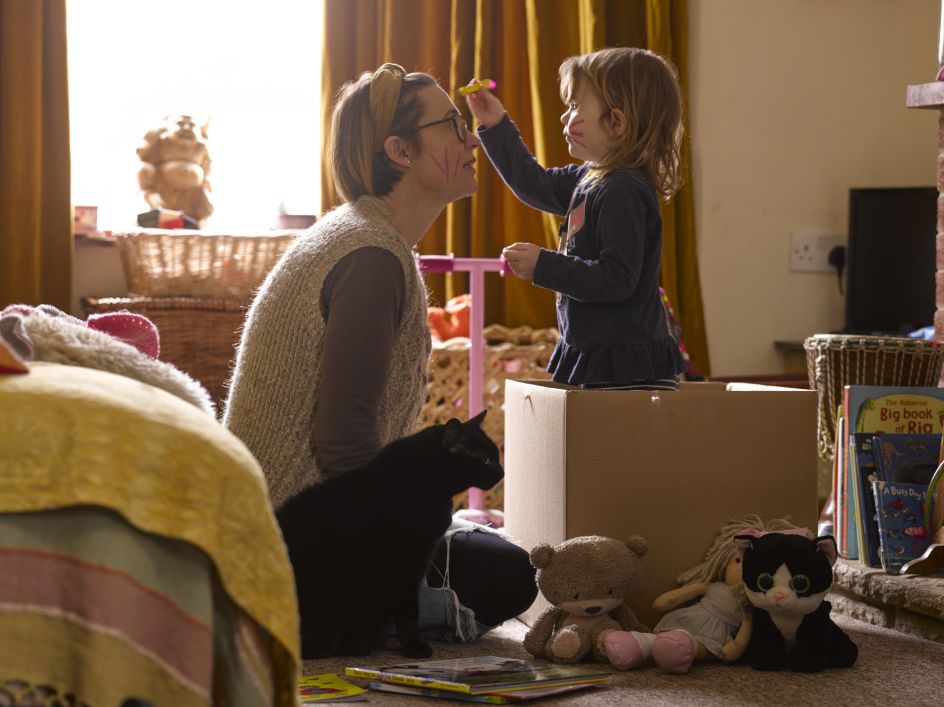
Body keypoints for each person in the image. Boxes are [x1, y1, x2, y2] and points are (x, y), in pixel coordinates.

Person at [223, 63, 536, 644]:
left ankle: (404, 603)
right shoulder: (370, 258)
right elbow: (344, 445)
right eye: (451, 124)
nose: (470, 138)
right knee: (510, 575)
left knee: (490, 552)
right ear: (400, 151)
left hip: (314, 523)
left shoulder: (369, 239)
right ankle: (392, 612)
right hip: (294, 546)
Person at [466, 47, 686, 391]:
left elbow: (616, 279)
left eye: (575, 107)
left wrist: (545, 266)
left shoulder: (622, 191)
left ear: (616, 122)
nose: (564, 118)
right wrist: (496, 124)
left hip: (625, 367)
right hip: (601, 357)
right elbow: (532, 183)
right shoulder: (590, 178)